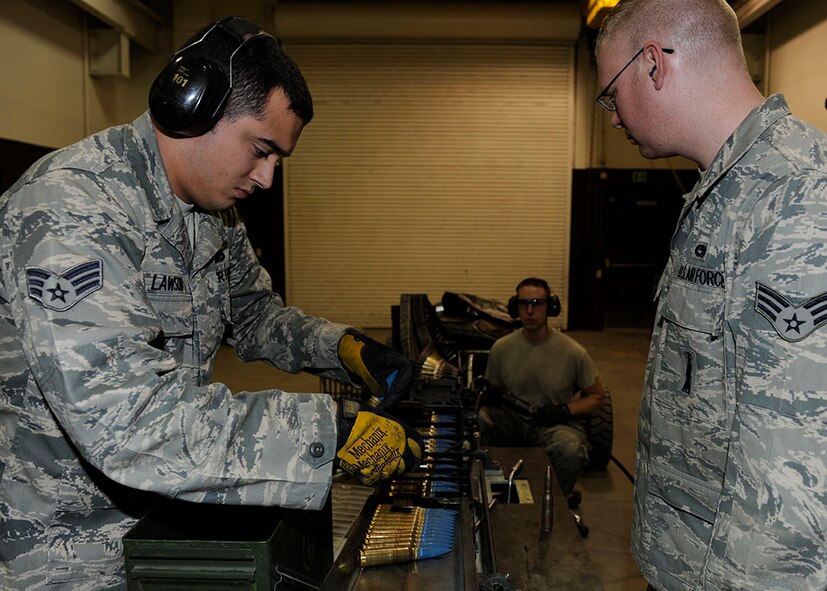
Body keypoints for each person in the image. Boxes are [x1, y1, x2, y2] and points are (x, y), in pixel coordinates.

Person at [0, 16, 422, 590]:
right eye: (261, 149)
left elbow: (253, 315)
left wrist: (343, 350)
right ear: (193, 105)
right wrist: (331, 429)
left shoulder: (213, 217)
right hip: (61, 553)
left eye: (280, 160)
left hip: (164, 515)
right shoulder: (68, 211)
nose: (269, 178)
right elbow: (127, 420)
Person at [595, 1, 827, 589]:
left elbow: (790, 480)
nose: (614, 118)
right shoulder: (724, 190)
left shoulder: (793, 197)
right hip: (683, 561)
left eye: (610, 95)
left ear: (653, 64)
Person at [478, 277, 608, 502]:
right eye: (523, 303)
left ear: (551, 307)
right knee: (478, 423)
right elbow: (494, 389)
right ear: (514, 307)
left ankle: (555, 501)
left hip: (554, 424)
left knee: (570, 449)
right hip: (513, 420)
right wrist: (491, 397)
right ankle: (497, 495)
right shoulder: (502, 348)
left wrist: (565, 411)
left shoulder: (573, 352)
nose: (529, 310)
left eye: (537, 303)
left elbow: (597, 396)